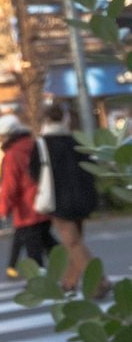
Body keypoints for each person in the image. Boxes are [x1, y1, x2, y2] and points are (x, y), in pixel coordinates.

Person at [35, 100, 100, 293]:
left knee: (72, 243)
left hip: (59, 201)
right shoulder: (76, 142)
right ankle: (69, 281)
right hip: (83, 199)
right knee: (74, 241)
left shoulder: (41, 145)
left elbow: (34, 172)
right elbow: (91, 169)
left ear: (45, 120)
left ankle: (99, 283)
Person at [0, 115, 53, 278]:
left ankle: (38, 281)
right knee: (48, 242)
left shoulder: (12, 155)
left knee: (34, 250)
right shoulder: (34, 145)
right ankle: (72, 266)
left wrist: (3, 209)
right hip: (44, 201)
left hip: (26, 208)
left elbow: (10, 185)